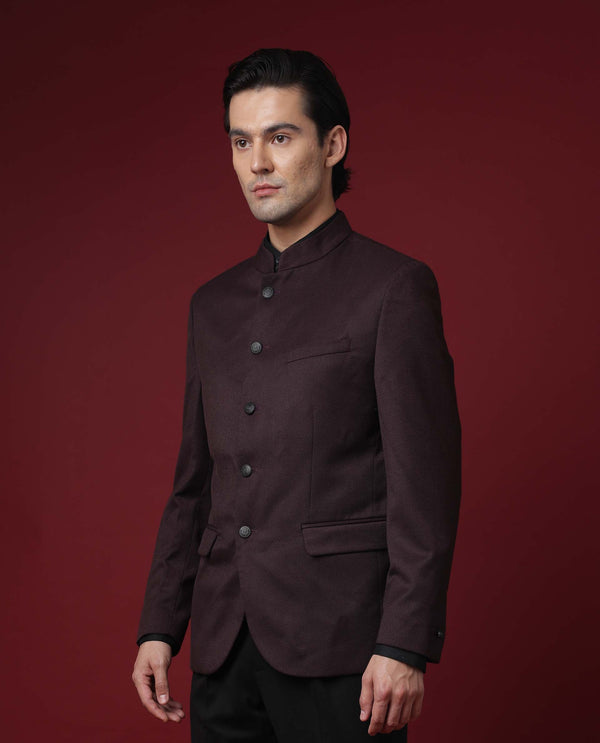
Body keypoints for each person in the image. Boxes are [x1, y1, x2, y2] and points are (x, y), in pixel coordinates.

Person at [132, 47, 461, 742]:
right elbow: (195, 483)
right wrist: (160, 624)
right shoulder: (211, 305)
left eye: (280, 137)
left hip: (344, 647)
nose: (258, 162)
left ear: (333, 145)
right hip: (223, 646)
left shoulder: (393, 288)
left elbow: (424, 484)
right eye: (241, 142)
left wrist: (404, 642)